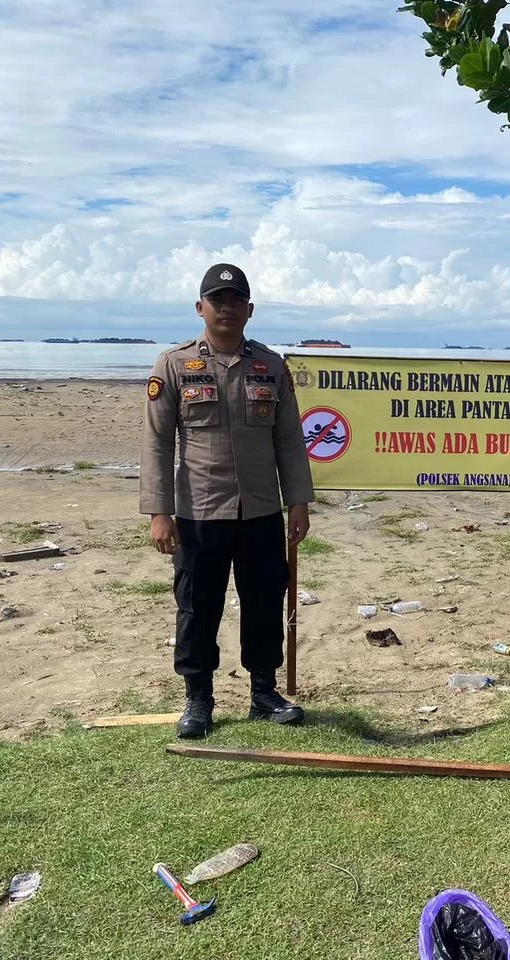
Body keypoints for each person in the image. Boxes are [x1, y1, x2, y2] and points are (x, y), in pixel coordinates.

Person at [140, 263, 315, 739]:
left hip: (260, 511)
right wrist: (159, 511)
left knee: (263, 600)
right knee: (198, 606)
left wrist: (297, 501)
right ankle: (198, 699)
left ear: (249, 310)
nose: (227, 308)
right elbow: (157, 443)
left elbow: (289, 441)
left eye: (236, 300)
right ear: (201, 308)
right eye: (218, 300)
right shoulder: (174, 365)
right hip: (199, 511)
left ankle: (264, 691)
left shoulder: (270, 366)